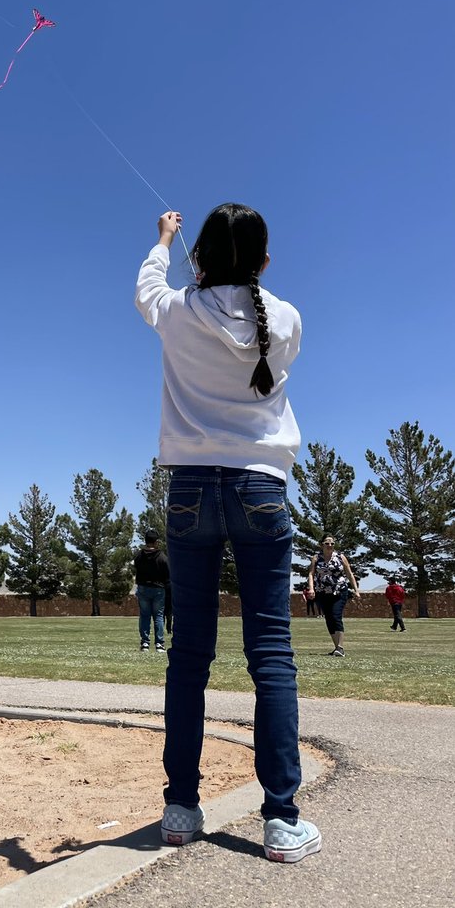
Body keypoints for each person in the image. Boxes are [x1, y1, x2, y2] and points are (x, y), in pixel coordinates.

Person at [136, 204, 321, 863]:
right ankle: (280, 819)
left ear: (199, 257)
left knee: (190, 654)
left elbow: (145, 291)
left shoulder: (179, 309)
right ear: (265, 261)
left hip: (189, 487)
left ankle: (181, 809)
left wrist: (162, 240)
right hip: (260, 487)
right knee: (270, 653)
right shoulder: (289, 318)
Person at [307, 535, 360, 657]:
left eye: (332, 543)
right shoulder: (316, 558)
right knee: (329, 618)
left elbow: (349, 573)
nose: (330, 545)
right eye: (327, 543)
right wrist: (311, 588)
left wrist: (356, 590)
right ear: (322, 545)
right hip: (322, 592)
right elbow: (311, 574)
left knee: (336, 616)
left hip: (339, 591)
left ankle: (340, 647)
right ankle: (337, 648)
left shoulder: (340, 557)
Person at [134, 530, 170, 653]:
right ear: (157, 542)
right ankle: (159, 644)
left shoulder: (139, 555)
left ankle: (145, 643)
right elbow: (168, 574)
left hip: (143, 588)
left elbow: (137, 568)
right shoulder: (162, 557)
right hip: (158, 589)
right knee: (159, 616)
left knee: (144, 616)